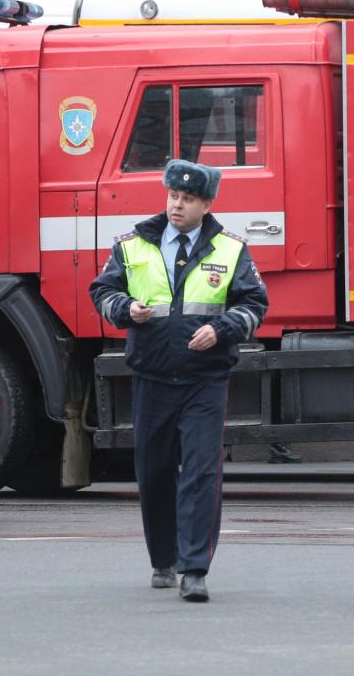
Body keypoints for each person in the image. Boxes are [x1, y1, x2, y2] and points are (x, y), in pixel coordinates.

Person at [89, 158, 268, 601]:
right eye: (173, 196)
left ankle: (194, 570)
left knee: (201, 472)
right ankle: (163, 560)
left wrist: (222, 329)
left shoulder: (231, 249)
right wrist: (125, 309)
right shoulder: (133, 245)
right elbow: (102, 291)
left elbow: (254, 306)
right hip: (151, 376)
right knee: (154, 472)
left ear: (206, 204)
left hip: (204, 380)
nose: (178, 205)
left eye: (188, 199)